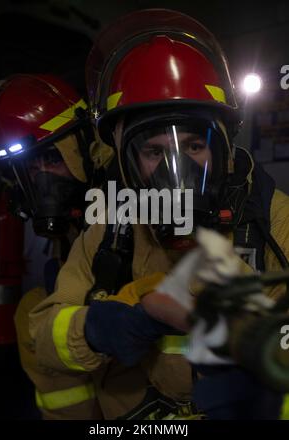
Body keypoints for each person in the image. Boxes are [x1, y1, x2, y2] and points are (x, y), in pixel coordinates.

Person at [28, 9, 289, 419]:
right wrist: (100, 329)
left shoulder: (273, 222)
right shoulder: (112, 226)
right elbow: (44, 335)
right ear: (127, 161)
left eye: (193, 146)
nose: (177, 170)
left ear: (222, 150)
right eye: (154, 151)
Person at [0, 73, 113, 419]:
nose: (44, 175)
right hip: (83, 363)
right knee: (32, 310)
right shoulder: (70, 225)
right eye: (33, 165)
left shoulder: (125, 202)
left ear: (83, 149)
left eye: (54, 160)